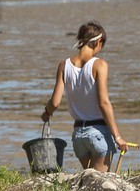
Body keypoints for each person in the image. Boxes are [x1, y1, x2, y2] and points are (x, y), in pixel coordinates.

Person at [39, 21, 131, 172]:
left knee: (89, 182)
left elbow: (55, 102)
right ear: (98, 42)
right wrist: (118, 137)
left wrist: (46, 113)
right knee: (99, 185)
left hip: (78, 136)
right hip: (98, 132)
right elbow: (104, 103)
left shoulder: (64, 65)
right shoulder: (99, 65)